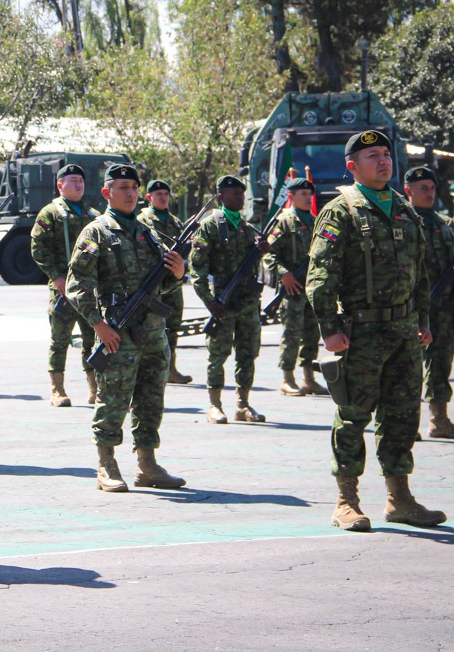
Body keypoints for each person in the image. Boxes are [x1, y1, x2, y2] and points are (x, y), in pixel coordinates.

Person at [307, 130, 446, 531]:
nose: (383, 161)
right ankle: (346, 500)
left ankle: (399, 497)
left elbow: (420, 274)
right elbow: (320, 277)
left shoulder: (404, 209)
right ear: (352, 166)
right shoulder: (340, 211)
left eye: (386, 154)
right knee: (353, 416)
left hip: (404, 332)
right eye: (372, 156)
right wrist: (329, 330)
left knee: (402, 416)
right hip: (361, 333)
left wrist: (422, 322)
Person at [66, 164, 187, 492]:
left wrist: (177, 274)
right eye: (122, 188)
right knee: (113, 400)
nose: (130, 193)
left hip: (153, 332)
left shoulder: (147, 232)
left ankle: (147, 464)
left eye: (134, 187)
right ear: (107, 193)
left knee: (151, 399)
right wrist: (98, 325)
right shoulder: (97, 232)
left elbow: (162, 289)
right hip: (118, 332)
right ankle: (106, 464)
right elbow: (77, 285)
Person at [189, 175, 267, 424]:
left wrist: (261, 251)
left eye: (242, 193)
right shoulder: (211, 225)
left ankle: (243, 404)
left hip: (247, 302)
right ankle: (214, 404)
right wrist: (208, 300)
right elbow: (197, 268)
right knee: (218, 354)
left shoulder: (246, 228)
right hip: (223, 301)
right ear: (221, 196)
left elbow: (249, 266)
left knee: (248, 353)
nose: (240, 197)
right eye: (234, 193)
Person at [31, 164, 99, 406]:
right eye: (72, 180)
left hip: (88, 289)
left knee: (92, 337)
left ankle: (95, 388)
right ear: (60, 185)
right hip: (62, 288)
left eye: (80, 180)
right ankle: (57, 390)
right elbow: (39, 247)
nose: (78, 184)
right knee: (60, 339)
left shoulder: (93, 215)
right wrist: (56, 277)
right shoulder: (50, 213)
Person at [263, 177, 329, 397]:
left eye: (310, 194)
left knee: (311, 334)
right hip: (292, 289)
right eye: (303, 194)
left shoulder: (314, 220)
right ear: (291, 197)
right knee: (292, 334)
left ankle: (308, 378)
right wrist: (284, 275)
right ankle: (287, 379)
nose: (308, 198)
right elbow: (269, 255)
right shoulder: (284, 221)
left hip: (312, 288)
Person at [404, 166, 454, 439]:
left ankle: (439, 419)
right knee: (409, 366)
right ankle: (407, 423)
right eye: (423, 188)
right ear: (408, 192)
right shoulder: (403, 222)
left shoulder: (445, 224)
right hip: (413, 307)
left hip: (444, 309)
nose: (429, 193)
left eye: (432, 188)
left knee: (441, 362)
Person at [136, 179, 192, 384]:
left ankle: (171, 368)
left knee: (173, 327)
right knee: (149, 328)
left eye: (165, 194)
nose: (162, 197)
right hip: (153, 284)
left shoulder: (176, 223)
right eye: (158, 194)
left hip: (173, 284)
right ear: (149, 197)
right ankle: (148, 371)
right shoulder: (142, 221)